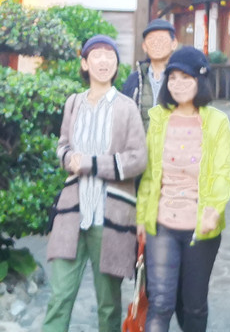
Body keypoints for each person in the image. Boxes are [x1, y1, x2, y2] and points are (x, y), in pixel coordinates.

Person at [44, 35, 148, 332]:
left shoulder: (127, 108)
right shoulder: (73, 103)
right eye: (97, 56)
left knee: (108, 304)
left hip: (110, 215)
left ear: (116, 65)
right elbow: (63, 147)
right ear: (84, 64)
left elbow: (138, 159)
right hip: (71, 213)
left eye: (109, 56)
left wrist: (91, 163)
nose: (104, 62)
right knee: (59, 297)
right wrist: (69, 159)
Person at [136, 46, 230, 332]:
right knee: (160, 303)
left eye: (186, 77)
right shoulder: (158, 118)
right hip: (162, 224)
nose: (178, 84)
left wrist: (214, 210)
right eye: (173, 78)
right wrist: (141, 217)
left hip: (200, 229)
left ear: (200, 80)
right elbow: (149, 176)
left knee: (193, 306)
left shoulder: (217, 122)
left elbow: (223, 172)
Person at [122, 18, 177, 128]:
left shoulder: (183, 78)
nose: (156, 43)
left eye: (161, 39)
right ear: (144, 46)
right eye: (151, 40)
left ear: (174, 44)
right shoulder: (134, 80)